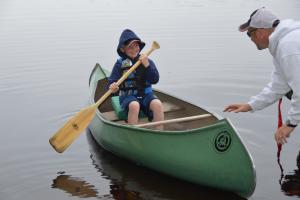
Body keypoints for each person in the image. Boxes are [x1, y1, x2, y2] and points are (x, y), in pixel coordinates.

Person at [224, 7, 300, 145]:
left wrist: (290, 124)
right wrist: (250, 105)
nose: (250, 39)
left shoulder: (289, 47)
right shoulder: (283, 45)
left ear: (259, 32)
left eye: (249, 34)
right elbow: (278, 86)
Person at [108, 29, 164, 127]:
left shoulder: (147, 61)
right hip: (128, 97)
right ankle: (132, 134)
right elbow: (112, 82)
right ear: (123, 49)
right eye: (130, 47)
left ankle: (159, 131)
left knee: (158, 104)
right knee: (134, 105)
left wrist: (147, 66)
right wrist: (112, 86)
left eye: (136, 46)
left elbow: (155, 80)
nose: (134, 50)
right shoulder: (120, 64)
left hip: (146, 95)